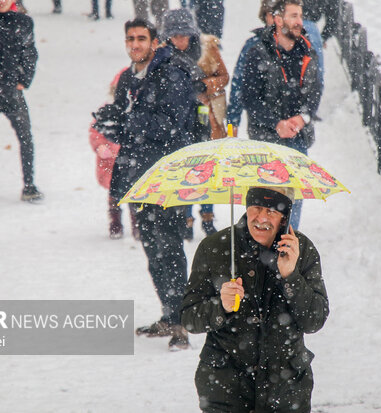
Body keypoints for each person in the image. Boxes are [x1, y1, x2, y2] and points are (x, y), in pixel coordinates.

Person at [92, 18, 194, 350]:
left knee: (171, 246)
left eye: (141, 39)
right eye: (130, 39)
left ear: (154, 42)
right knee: (152, 248)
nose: (135, 44)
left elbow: (171, 126)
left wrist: (127, 121)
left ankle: (182, 321)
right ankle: (168, 312)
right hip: (139, 176)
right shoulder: (126, 78)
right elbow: (127, 127)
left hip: (170, 173)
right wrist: (109, 123)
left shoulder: (172, 72)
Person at [181, 186, 329, 412]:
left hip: (286, 390)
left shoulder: (302, 250)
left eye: (271, 211)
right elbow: (189, 318)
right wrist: (220, 307)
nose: (261, 218)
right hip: (225, 388)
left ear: (284, 216)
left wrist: (291, 277)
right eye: (256, 208)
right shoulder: (215, 248)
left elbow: (314, 320)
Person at [242, 0, 321, 230]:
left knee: (292, 208)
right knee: (265, 208)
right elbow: (249, 98)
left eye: (300, 16)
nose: (299, 22)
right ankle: (265, 258)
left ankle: (286, 256)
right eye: (294, 16)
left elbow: (314, 93)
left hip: (297, 140)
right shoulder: (258, 51)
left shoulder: (308, 50)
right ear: (278, 19)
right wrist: (276, 123)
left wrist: (302, 118)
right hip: (265, 142)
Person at [161, 8, 229, 238]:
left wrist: (205, 86)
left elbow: (224, 77)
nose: (180, 40)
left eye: (184, 35)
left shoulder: (207, 48)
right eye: (174, 35)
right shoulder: (164, 55)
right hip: (179, 121)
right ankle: (186, 218)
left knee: (207, 170)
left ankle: (208, 217)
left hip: (208, 117)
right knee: (186, 171)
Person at [0, 0, 43, 202]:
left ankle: (29, 184)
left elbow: (30, 52)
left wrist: (24, 79)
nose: (2, 1)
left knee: (25, 137)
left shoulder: (23, 22)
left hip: (12, 90)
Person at [89, 69, 139, 240]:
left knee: (133, 193)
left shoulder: (135, 110)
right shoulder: (108, 110)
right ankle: (115, 221)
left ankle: (136, 223)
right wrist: (100, 146)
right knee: (114, 193)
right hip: (110, 161)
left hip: (130, 159)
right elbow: (95, 132)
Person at [226, 0, 274, 130]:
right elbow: (238, 85)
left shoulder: (300, 45)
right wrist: (232, 125)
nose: (277, 19)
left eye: (281, 14)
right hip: (261, 127)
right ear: (264, 15)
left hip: (294, 130)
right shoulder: (253, 46)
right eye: (272, 14)